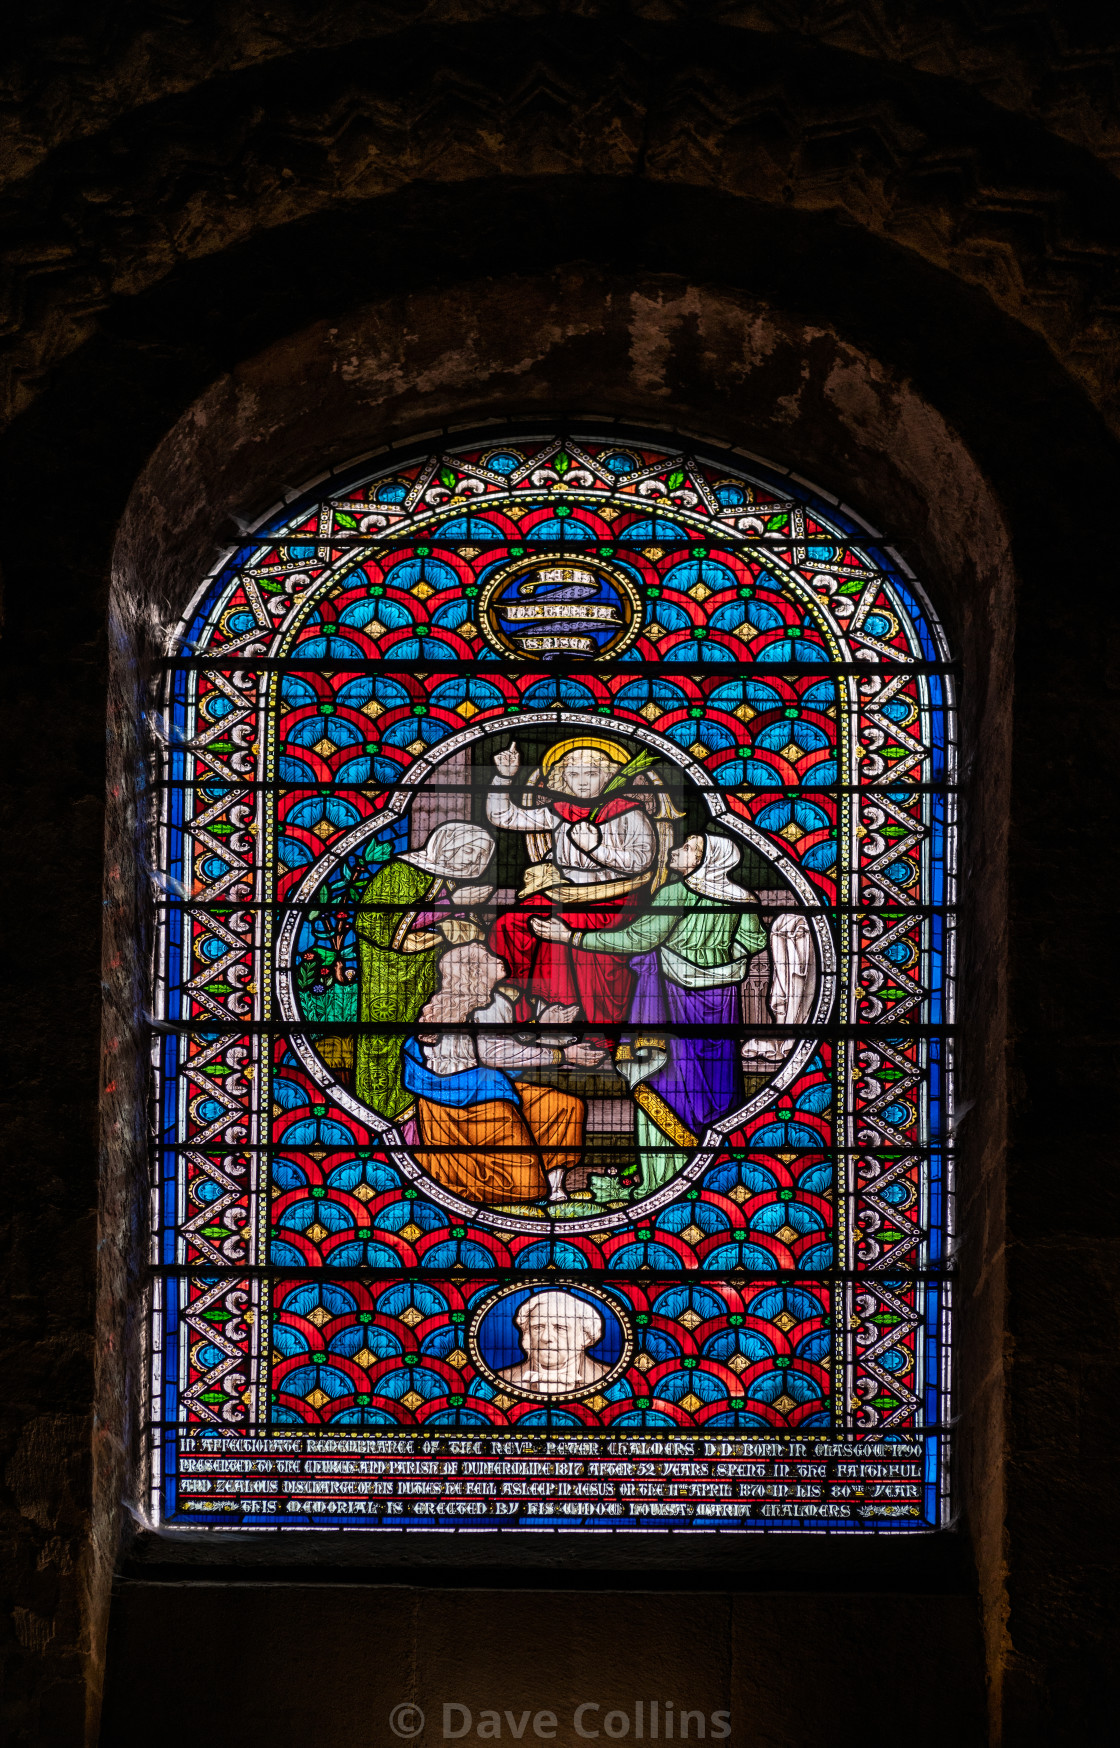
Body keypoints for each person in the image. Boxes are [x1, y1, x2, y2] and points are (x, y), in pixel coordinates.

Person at [533, 833, 767, 1197]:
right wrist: (719, 958)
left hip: (671, 1000)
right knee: (716, 1080)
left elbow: (637, 940)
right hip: (722, 1000)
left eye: (689, 849)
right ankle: (714, 1171)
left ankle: (665, 1175)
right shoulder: (743, 900)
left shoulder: (677, 892)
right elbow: (754, 942)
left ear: (707, 862)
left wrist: (572, 938)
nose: (677, 851)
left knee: (666, 1077)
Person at [486, 737, 658, 1038]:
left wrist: (596, 849)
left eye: (591, 774)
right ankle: (521, 1011)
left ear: (607, 777)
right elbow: (504, 816)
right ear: (563, 778)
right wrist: (503, 777)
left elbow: (642, 861)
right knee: (508, 925)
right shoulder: (560, 811)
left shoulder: (629, 812)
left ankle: (576, 1026)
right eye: (573, 774)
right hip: (562, 893)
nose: (582, 782)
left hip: (612, 898)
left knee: (562, 937)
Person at [401, 943, 598, 1206]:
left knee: (563, 1106)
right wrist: (563, 1054)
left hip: (486, 1086)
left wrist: (541, 1028)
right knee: (524, 1186)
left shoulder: (494, 1001)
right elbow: (495, 1054)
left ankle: (555, 1186)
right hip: (467, 1100)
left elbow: (500, 1047)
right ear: (474, 971)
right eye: (488, 956)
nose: (498, 957)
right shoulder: (467, 1006)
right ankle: (428, 1170)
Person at [352, 820, 495, 1119]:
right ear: (447, 845)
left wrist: (462, 920)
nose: (472, 859)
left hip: (430, 975)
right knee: (384, 1040)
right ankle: (378, 1111)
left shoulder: (451, 882)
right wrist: (451, 905)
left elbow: (462, 929)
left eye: (480, 855)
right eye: (468, 850)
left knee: (424, 1038)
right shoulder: (400, 872)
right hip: (389, 974)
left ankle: (416, 1112)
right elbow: (376, 924)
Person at [498, 1290, 611, 1395]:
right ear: (527, 1333)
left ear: (585, 1336)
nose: (546, 1337)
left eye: (560, 1328)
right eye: (538, 1327)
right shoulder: (503, 1379)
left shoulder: (608, 1377)